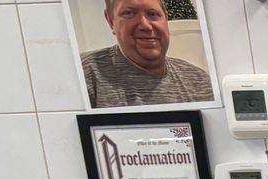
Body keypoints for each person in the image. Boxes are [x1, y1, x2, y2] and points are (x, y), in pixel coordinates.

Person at [81, 0, 213, 108]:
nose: (146, 25)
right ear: (111, 22)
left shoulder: (199, 81)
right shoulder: (85, 74)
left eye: (153, 14)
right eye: (129, 13)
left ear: (165, 19)